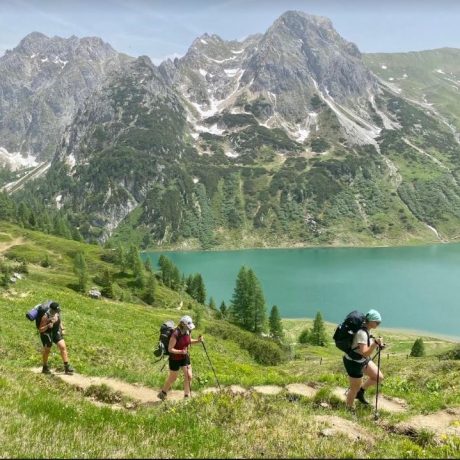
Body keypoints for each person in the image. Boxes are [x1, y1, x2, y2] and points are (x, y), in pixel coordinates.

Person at [343, 309, 385, 410]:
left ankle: (360, 392)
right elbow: (365, 352)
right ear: (370, 321)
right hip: (354, 363)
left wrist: (377, 343)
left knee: (378, 377)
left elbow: (366, 345)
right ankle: (348, 409)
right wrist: (375, 344)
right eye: (377, 322)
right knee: (354, 388)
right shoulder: (362, 332)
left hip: (362, 360)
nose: (378, 324)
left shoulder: (366, 329)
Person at [157, 315, 203, 400]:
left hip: (184, 356)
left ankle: (186, 396)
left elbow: (188, 341)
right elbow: (170, 349)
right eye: (188, 326)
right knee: (173, 378)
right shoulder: (175, 333)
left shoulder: (187, 331)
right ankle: (163, 393)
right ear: (183, 324)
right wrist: (181, 351)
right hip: (174, 359)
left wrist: (198, 341)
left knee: (189, 376)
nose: (189, 328)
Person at [38, 302, 75, 375]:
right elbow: (40, 329)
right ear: (52, 310)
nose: (58, 311)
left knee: (63, 347)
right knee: (47, 351)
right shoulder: (45, 316)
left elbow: (59, 320)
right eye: (57, 310)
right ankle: (45, 367)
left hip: (55, 333)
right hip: (46, 334)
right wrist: (48, 326)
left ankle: (66, 367)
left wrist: (62, 328)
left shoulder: (57, 313)